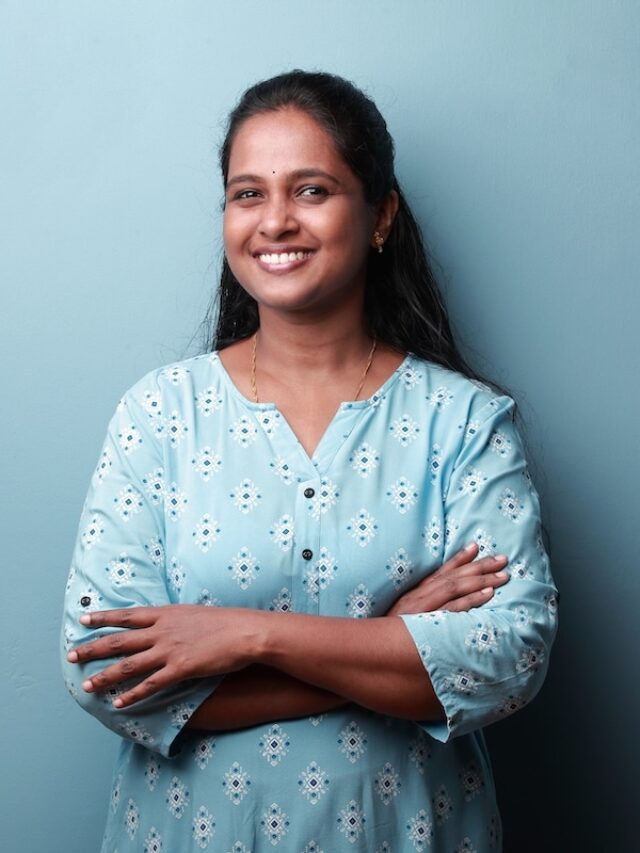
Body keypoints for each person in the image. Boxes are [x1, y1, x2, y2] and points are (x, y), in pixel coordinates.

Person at [61, 70, 558, 852]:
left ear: (381, 213)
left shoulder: (464, 420)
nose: (276, 221)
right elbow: (109, 677)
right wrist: (388, 638)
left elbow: (507, 657)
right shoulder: (159, 415)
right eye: (248, 194)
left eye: (313, 190)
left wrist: (247, 637)